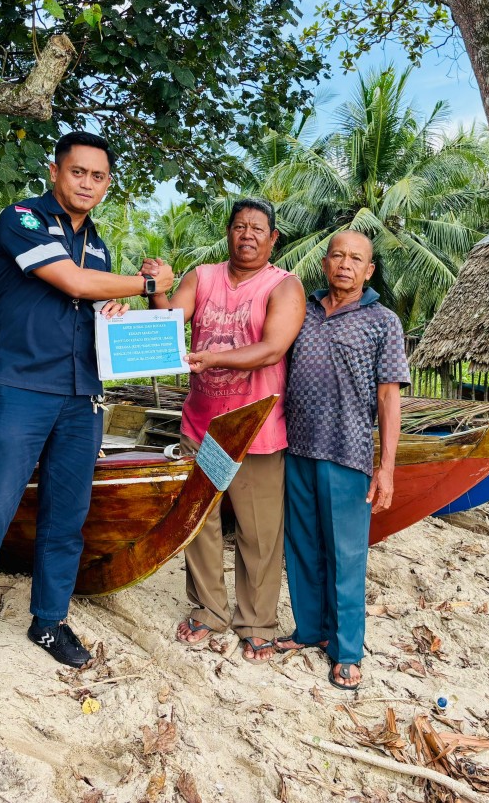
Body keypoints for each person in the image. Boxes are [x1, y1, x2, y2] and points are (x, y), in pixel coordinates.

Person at [0, 131, 174, 676]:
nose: (87, 183)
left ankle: (48, 619)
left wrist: (111, 308)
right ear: (55, 171)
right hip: (21, 390)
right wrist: (143, 282)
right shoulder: (23, 219)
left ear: (107, 184)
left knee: (67, 517)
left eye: (98, 176)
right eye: (77, 172)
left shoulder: (101, 245)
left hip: (81, 395)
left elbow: (90, 294)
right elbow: (69, 280)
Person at [146, 198, 306, 662]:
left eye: (258, 228)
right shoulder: (203, 276)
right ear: (229, 233)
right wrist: (156, 287)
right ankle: (209, 611)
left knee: (259, 532)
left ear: (273, 239)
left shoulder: (284, 286)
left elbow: (273, 349)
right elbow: (169, 322)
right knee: (200, 520)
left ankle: (257, 621)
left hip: (253, 430)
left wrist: (211, 357)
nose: (248, 235)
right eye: (239, 227)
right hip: (204, 426)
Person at [276, 230, 409, 690]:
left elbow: (389, 397)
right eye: (338, 255)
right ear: (326, 262)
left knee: (347, 555)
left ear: (369, 270)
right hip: (295, 448)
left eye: (356, 259)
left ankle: (347, 650)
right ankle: (310, 630)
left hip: (347, 454)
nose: (345, 265)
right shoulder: (302, 310)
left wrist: (385, 467)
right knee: (302, 547)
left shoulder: (383, 322)